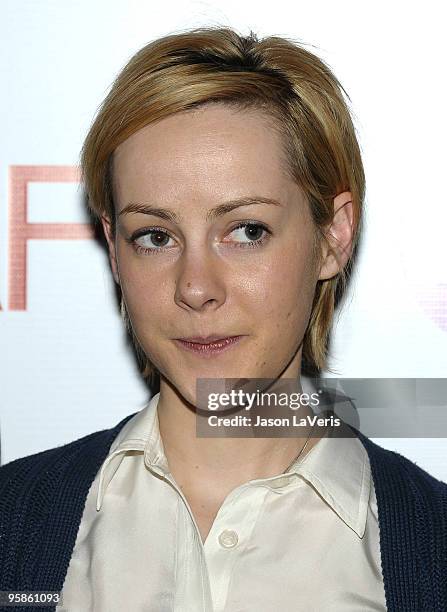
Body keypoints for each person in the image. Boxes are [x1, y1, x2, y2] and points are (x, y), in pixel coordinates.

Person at [0, 25, 446, 612]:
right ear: (113, 248)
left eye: (246, 231)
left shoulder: (433, 546)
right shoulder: (13, 525)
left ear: (333, 236)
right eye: (155, 236)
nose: (196, 288)